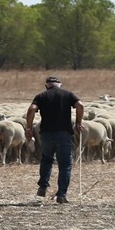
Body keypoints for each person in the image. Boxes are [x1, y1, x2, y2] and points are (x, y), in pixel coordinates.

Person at [24, 75, 85, 204]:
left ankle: (43, 185)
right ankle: (61, 194)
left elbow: (31, 109)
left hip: (46, 134)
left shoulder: (41, 96)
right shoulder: (68, 94)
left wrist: (28, 128)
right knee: (65, 165)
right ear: (60, 85)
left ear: (46, 86)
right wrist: (79, 122)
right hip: (64, 134)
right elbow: (80, 105)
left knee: (46, 159)